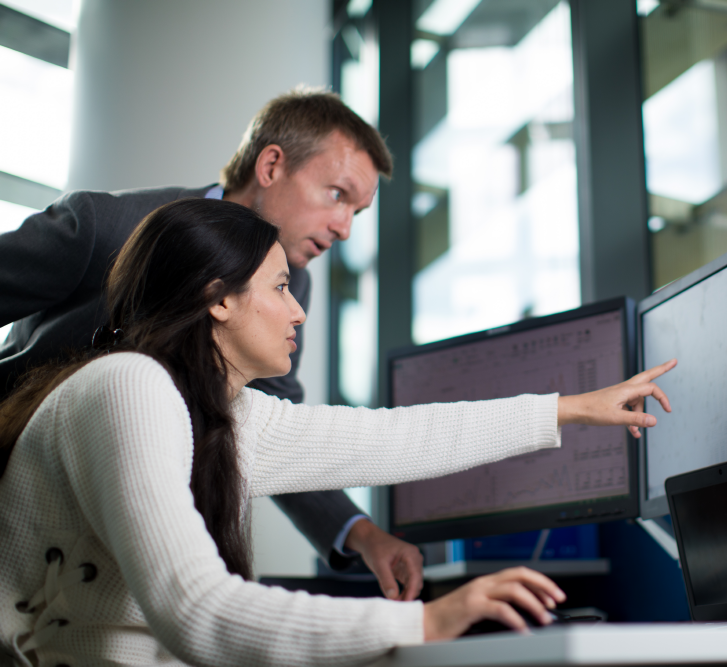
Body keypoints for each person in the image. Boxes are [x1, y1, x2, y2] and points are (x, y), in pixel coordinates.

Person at [0, 198, 676, 666]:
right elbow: (194, 607)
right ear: (220, 298)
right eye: (279, 287)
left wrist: (569, 408)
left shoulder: (222, 414)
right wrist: (426, 621)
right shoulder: (129, 387)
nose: (298, 310)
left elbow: (398, 438)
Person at [0, 87, 423, 601]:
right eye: (338, 195)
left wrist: (361, 534)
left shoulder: (289, 286)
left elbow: (276, 421)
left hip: (109, 556)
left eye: (357, 210)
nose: (345, 228)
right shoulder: (104, 227)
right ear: (271, 166)